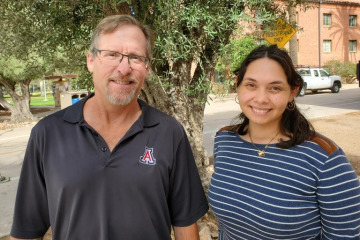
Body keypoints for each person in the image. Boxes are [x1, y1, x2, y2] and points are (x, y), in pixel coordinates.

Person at [10, 15, 208, 240]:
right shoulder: (47, 134)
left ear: (147, 67)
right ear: (90, 60)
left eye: (135, 57)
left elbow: (185, 226)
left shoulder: (169, 133)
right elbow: (27, 230)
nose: (124, 68)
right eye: (112, 55)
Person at [209, 45, 360, 239]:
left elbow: (346, 235)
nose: (261, 98)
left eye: (275, 88)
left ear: (292, 92)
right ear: (238, 85)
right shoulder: (225, 141)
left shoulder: (324, 159)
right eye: (251, 85)